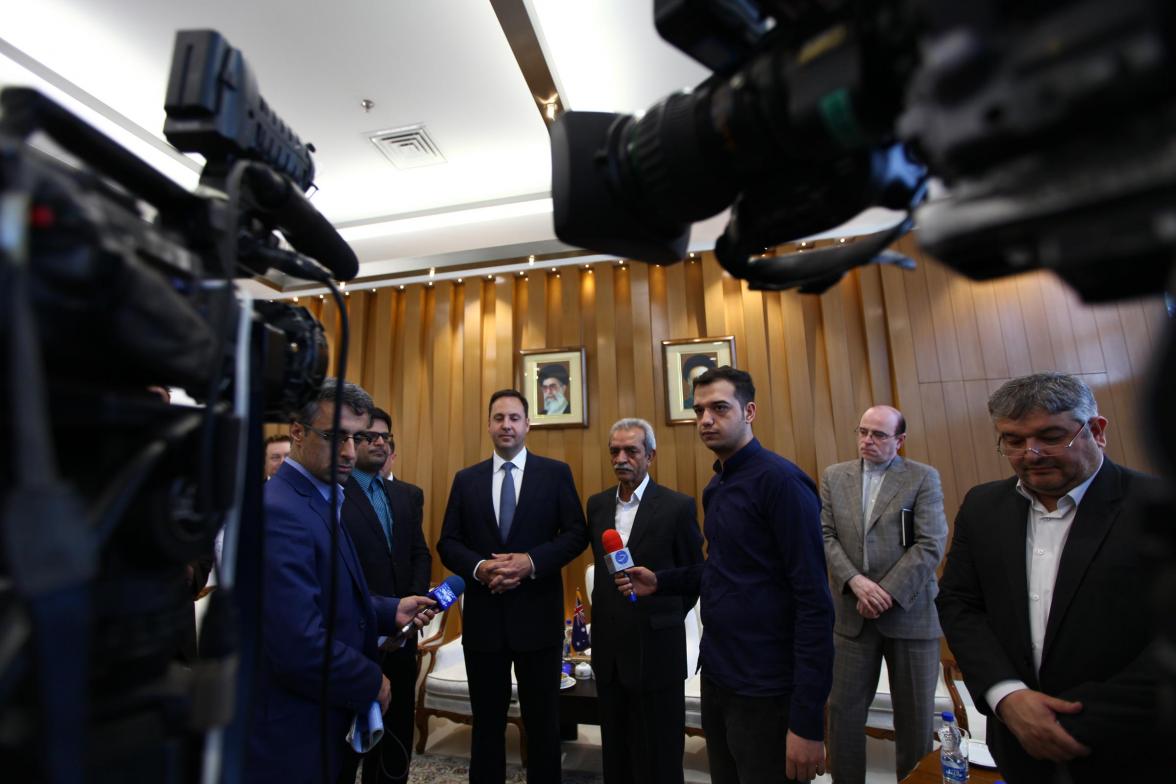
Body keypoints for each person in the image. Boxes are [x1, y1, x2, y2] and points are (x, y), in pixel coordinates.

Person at [937, 372, 1164, 783]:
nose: (1031, 453)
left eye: (1052, 436)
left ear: (1096, 430)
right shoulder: (982, 507)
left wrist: (1076, 719)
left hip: (1135, 750)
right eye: (1013, 440)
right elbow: (959, 604)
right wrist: (1007, 696)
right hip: (1018, 748)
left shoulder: (1157, 509)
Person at [617, 366, 834, 783]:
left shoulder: (782, 484)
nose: (705, 420)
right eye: (698, 410)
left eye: (719, 408)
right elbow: (722, 573)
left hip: (766, 688)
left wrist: (807, 720)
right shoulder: (717, 487)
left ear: (749, 411)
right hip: (719, 677)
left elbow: (814, 604)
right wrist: (661, 581)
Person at [248, 380, 434, 784]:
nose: (350, 451)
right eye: (336, 437)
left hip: (325, 715)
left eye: (357, 437)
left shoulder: (322, 495)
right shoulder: (281, 510)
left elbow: (329, 594)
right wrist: (372, 680)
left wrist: (387, 610)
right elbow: (298, 642)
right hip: (294, 730)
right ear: (297, 432)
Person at [437, 389, 588, 784]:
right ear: (488, 424)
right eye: (499, 417)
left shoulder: (555, 473)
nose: (507, 425)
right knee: (486, 725)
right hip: (485, 622)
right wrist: (481, 566)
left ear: (527, 425)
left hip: (537, 620)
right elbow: (448, 542)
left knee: (543, 723)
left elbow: (576, 534)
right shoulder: (466, 480)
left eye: (515, 418)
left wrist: (530, 562)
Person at [821, 405, 948, 783]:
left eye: (878, 435)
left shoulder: (922, 478)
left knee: (914, 719)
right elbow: (825, 535)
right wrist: (856, 582)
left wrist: (885, 592)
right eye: (862, 431)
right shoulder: (834, 476)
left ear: (899, 441)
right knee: (842, 714)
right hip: (851, 614)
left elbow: (930, 544)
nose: (867, 440)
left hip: (910, 614)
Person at [587, 418, 704, 784]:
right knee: (617, 756)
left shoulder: (677, 506)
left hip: (657, 650)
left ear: (650, 455)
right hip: (609, 653)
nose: (621, 458)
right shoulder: (597, 505)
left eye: (631, 451)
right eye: (615, 452)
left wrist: (662, 614)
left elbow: (695, 575)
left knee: (659, 757)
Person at [338, 408, 432, 784]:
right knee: (346, 750)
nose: (379, 441)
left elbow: (419, 554)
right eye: (369, 436)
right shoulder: (335, 493)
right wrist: (382, 619)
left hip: (403, 642)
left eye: (385, 437)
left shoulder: (404, 495)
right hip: (355, 641)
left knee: (394, 750)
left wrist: (407, 617)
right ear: (349, 442)